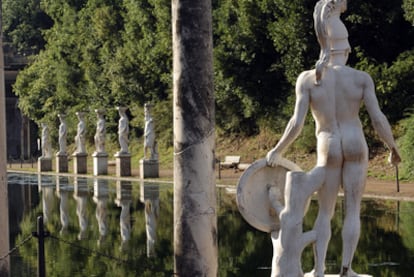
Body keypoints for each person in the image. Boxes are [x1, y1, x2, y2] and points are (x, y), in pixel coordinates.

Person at [266, 0, 401, 276]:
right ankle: (346, 269)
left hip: (328, 144)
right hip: (355, 143)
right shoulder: (361, 79)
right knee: (352, 210)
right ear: (347, 48)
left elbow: (297, 123)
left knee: (325, 212)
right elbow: (378, 119)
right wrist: (393, 147)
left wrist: (277, 150)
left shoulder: (308, 79)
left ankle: (317, 270)